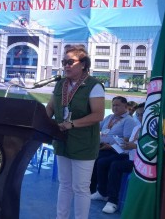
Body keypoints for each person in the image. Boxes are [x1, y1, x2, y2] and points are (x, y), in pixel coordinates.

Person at [46, 45, 105, 219]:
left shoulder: (94, 86)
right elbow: (50, 108)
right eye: (64, 62)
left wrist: (72, 124)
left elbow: (98, 114)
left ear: (83, 64)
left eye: (70, 62)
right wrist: (38, 123)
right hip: (62, 141)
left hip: (84, 144)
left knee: (80, 188)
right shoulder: (60, 85)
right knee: (64, 184)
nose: (66, 65)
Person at [98, 102, 145, 213]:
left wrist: (134, 146)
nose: (139, 117)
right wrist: (124, 143)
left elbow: (155, 150)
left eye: (142, 114)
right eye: (138, 115)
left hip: (142, 162)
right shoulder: (137, 127)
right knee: (103, 161)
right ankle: (102, 192)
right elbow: (130, 143)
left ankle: (112, 201)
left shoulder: (153, 130)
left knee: (116, 165)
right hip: (129, 155)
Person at [90, 96, 137, 200]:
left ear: (125, 106)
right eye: (113, 105)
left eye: (118, 105)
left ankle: (101, 192)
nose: (115, 107)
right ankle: (92, 189)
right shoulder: (110, 117)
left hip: (116, 151)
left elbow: (126, 141)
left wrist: (110, 146)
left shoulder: (128, 121)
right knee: (90, 156)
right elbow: (96, 128)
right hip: (102, 146)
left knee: (99, 160)